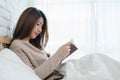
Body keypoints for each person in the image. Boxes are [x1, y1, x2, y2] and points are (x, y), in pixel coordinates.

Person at [9, 7, 72, 80]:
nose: (40, 30)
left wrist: (62, 56)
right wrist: (59, 55)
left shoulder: (36, 45)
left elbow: (47, 64)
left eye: (41, 26)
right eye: (38, 24)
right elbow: (31, 76)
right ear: (27, 23)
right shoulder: (17, 46)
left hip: (60, 74)